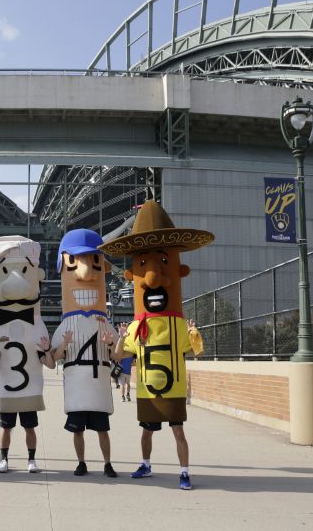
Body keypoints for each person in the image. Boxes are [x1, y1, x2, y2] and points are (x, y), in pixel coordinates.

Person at [102, 200, 212, 490]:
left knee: (178, 432)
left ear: (178, 271)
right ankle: (146, 464)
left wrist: (194, 334)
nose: (152, 279)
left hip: (173, 390)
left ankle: (185, 472)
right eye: (142, 266)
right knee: (146, 433)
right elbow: (118, 356)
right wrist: (118, 338)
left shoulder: (178, 325)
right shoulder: (135, 327)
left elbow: (197, 352)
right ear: (133, 276)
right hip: (147, 391)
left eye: (164, 262)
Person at [0, 236, 56, 474]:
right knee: (6, 427)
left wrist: (47, 350)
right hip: (7, 388)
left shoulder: (38, 325)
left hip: (30, 387)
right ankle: (4, 459)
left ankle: (31, 460)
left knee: (30, 428)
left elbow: (50, 364)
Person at [50, 229, 118, 477]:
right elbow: (53, 359)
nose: (87, 274)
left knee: (102, 430)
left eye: (95, 263)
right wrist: (64, 345)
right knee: (77, 430)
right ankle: (81, 462)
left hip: (98, 386)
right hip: (77, 388)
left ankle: (107, 463)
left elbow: (119, 356)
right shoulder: (65, 325)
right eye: (74, 262)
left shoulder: (104, 323)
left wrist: (111, 344)